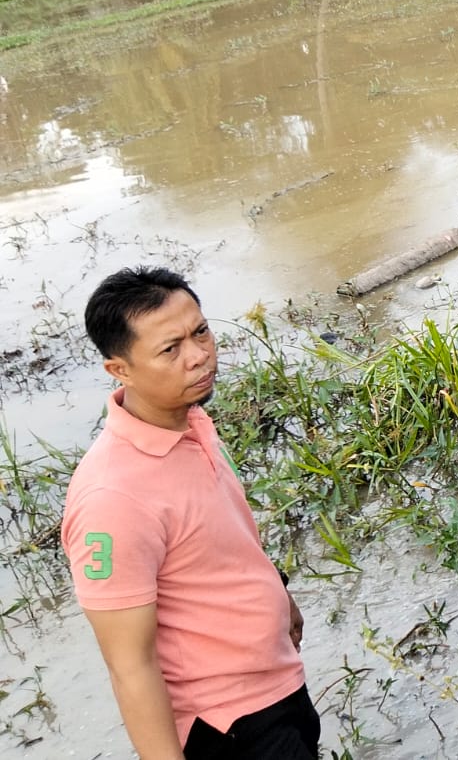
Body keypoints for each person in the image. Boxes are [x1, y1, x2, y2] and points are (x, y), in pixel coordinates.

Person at [63, 267, 317, 760]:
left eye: (200, 331)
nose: (200, 356)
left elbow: (220, 538)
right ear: (120, 370)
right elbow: (129, 667)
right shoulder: (112, 498)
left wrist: (278, 594)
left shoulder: (191, 421)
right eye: (170, 349)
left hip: (277, 683)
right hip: (226, 724)